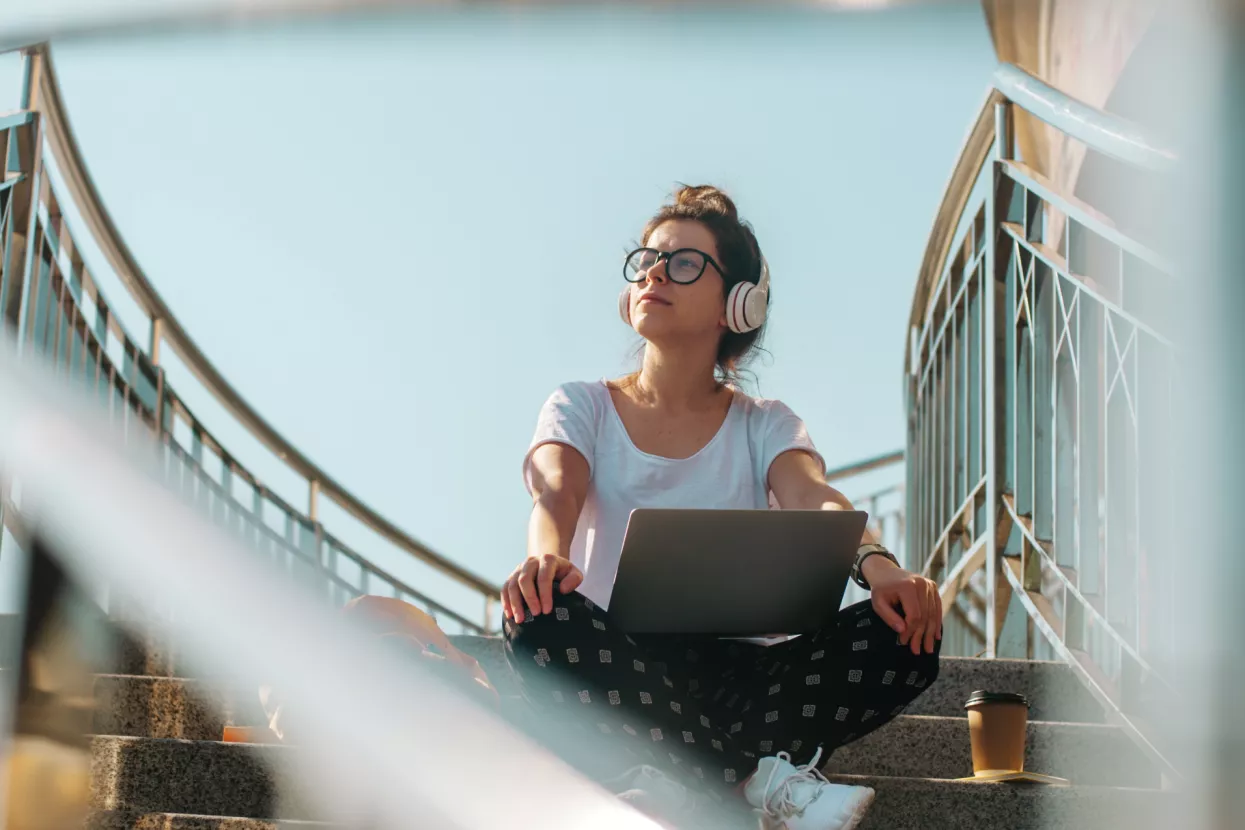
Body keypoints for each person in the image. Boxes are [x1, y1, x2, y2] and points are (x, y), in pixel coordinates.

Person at [501, 185, 941, 830]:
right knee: (536, 617)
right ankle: (753, 782)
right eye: (647, 259)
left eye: (683, 263)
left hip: (742, 677)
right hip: (617, 664)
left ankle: (676, 772)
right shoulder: (582, 404)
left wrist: (880, 565)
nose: (654, 272)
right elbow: (555, 489)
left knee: (907, 634)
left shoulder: (765, 424)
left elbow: (814, 497)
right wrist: (547, 556)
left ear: (737, 304)